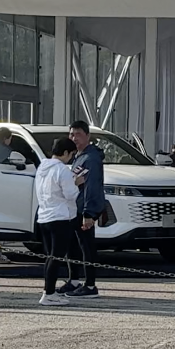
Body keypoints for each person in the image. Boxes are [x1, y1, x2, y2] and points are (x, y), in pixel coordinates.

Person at [34, 136, 81, 305]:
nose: (71, 158)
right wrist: (77, 183)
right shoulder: (62, 170)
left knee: (50, 257)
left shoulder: (42, 167)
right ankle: (49, 294)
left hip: (44, 215)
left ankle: (48, 291)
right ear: (66, 152)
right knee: (57, 257)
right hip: (60, 217)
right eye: (71, 154)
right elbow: (71, 194)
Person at [68, 120, 107, 298]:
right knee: (73, 246)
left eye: (78, 134)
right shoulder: (78, 156)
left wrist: (89, 213)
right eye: (72, 134)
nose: (74, 138)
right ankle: (74, 280)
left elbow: (92, 187)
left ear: (88, 136)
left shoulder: (91, 158)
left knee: (87, 247)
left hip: (84, 209)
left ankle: (90, 285)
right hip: (75, 208)